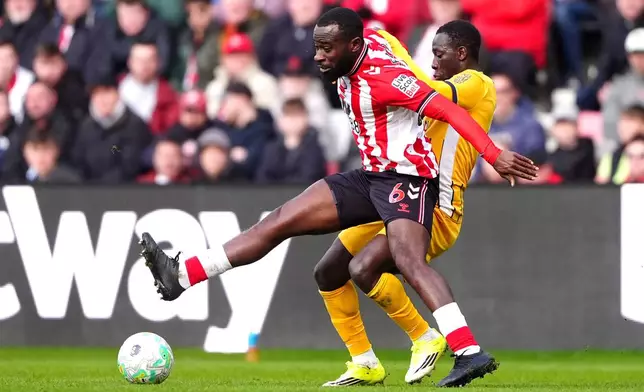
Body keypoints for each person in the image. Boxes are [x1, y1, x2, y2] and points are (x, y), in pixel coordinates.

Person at [138, 8, 537, 385]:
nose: (318, 57)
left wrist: (494, 154)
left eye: (327, 48)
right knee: (289, 227)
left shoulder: (413, 80)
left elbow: (440, 104)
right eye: (317, 46)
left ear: (351, 46)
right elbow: (384, 41)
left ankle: (466, 349)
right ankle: (184, 275)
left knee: (400, 261)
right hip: (372, 176)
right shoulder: (370, 43)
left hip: (411, 181)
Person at [312, 21, 501, 388]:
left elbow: (425, 89)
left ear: (462, 55)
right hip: (395, 191)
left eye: (439, 54)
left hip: (438, 205)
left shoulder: (475, 83)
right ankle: (364, 362)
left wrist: (394, 52)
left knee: (365, 268)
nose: (432, 62)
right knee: (329, 270)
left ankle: (431, 338)